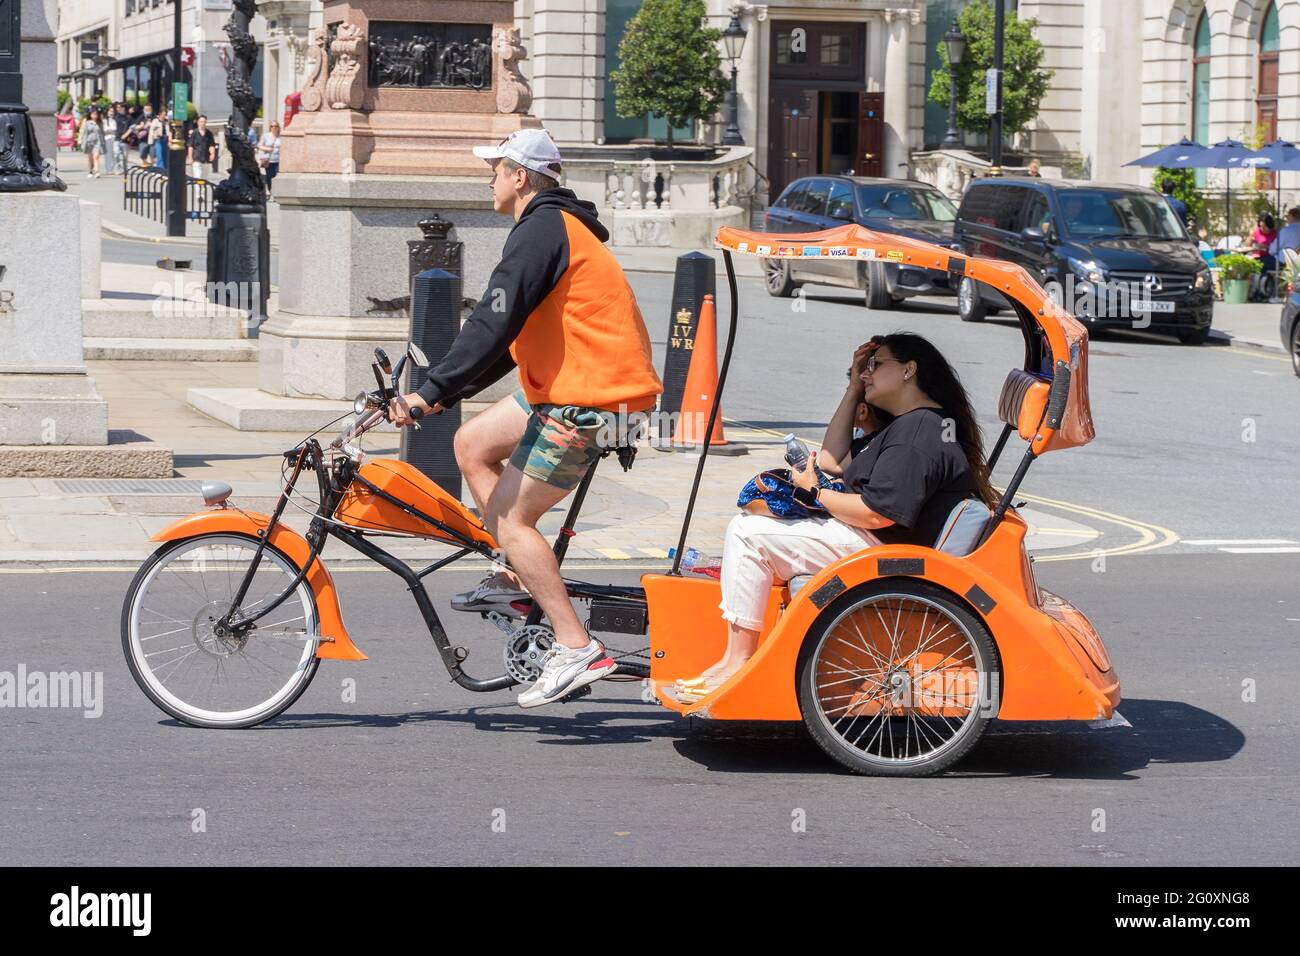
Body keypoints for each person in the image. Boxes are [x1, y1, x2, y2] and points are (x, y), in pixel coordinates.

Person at [388, 127, 663, 708]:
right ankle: (516, 575)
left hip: (595, 399)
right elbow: (505, 342)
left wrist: (428, 390)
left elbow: (490, 324)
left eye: (496, 168)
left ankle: (576, 645)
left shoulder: (541, 229)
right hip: (575, 388)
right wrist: (437, 397)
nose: (488, 178)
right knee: (472, 444)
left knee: (514, 519)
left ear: (521, 176)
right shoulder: (551, 227)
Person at [668, 333, 996, 701]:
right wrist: (855, 385)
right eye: (865, 368)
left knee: (747, 533)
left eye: (876, 365)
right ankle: (734, 657)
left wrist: (815, 492)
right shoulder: (908, 423)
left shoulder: (918, 432)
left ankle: (738, 661)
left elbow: (876, 514)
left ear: (909, 370)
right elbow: (831, 460)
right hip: (878, 542)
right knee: (756, 528)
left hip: (885, 550)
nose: (868, 373)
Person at [187, 114, 217, 181]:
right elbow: (190, 146)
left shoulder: (209, 134)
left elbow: (211, 145)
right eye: (201, 121)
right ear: (198, 122)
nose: (202, 123)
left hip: (206, 159)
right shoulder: (194, 133)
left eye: (204, 122)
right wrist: (190, 157)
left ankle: (202, 191)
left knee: (204, 179)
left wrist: (212, 154)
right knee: (198, 178)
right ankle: (199, 191)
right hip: (196, 158)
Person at [80, 108, 105, 178]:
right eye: (93, 114)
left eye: (96, 114)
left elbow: (102, 133)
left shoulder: (100, 123)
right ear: (90, 115)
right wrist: (81, 140)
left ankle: (97, 171)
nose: (95, 116)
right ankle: (91, 170)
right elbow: (84, 133)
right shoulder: (87, 123)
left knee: (96, 157)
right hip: (89, 142)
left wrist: (103, 142)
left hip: (98, 142)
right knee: (90, 158)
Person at [257, 121, 281, 190]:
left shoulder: (281, 136)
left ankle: (276, 192)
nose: (274, 128)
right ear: (270, 127)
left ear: (278, 127)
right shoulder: (266, 136)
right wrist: (267, 148)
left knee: (277, 177)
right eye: (272, 126)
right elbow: (259, 145)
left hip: (279, 161)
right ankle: (271, 191)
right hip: (268, 160)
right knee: (269, 176)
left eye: (276, 126)